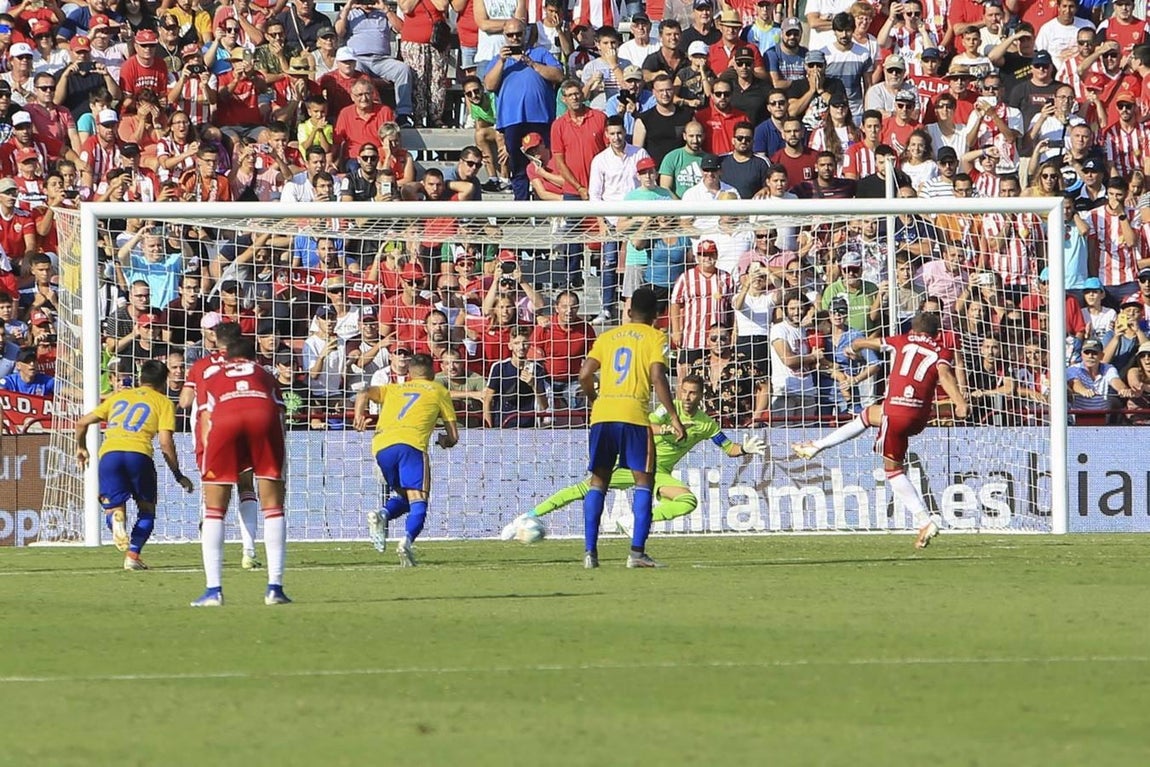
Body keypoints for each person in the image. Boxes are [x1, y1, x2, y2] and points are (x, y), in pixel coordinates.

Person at [502, 375, 764, 539]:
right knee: (582, 490)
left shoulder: (707, 424)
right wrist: (666, 428)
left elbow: (728, 448)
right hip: (632, 462)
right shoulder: (667, 409)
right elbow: (644, 425)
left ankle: (633, 521)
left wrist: (745, 449)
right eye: (684, 391)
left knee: (688, 501)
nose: (686, 397)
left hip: (658, 473)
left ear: (701, 395)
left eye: (692, 393)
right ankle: (526, 517)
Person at [792, 310, 969, 549]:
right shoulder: (942, 350)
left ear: (913, 330)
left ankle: (924, 520)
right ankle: (816, 446)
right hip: (917, 416)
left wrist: (855, 345)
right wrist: (959, 401)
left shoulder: (901, 340)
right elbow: (945, 374)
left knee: (893, 471)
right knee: (867, 415)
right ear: (935, 333)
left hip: (895, 413)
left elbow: (868, 342)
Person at [576, 286, 685, 569]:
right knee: (644, 482)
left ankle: (590, 552)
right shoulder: (655, 336)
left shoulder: (608, 336)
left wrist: (592, 398)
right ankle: (636, 553)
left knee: (598, 482)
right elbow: (658, 377)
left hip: (602, 415)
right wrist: (673, 416)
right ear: (658, 315)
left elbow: (584, 373)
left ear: (628, 310)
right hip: (634, 416)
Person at [193, 338, 290, 607]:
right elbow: (280, 413)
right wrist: (277, 465)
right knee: (272, 506)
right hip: (263, 417)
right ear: (253, 358)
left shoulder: (213, 374)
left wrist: (207, 459)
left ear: (227, 357)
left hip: (224, 421)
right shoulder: (265, 374)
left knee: (214, 509)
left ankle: (214, 591)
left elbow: (205, 418)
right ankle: (275, 588)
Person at [74, 359, 194, 571]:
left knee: (113, 508)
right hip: (139, 455)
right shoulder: (164, 402)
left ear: (140, 378)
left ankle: (116, 519)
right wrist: (177, 473)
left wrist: (81, 448)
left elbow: (82, 422)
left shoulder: (118, 396)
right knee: (146, 511)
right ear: (164, 381)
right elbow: (165, 443)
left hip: (110, 454)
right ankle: (133, 556)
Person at [353, 353, 458, 566]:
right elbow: (454, 436)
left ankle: (382, 514)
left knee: (403, 494)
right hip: (411, 445)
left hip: (382, 446)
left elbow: (363, 392)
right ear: (433, 371)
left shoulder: (393, 388)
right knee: (419, 499)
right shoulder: (439, 390)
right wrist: (444, 441)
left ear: (409, 373)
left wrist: (359, 415)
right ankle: (406, 542)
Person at [180, 321, 264, 571]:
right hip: (246, 430)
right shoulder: (252, 364)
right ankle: (249, 552)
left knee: (213, 492)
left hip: (210, 434)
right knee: (247, 487)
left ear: (215, 340)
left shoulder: (201, 366)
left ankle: (211, 549)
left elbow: (185, 402)